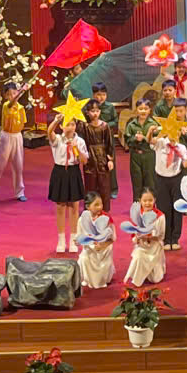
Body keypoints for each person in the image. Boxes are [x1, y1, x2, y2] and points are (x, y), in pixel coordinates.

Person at [151, 100, 187, 251]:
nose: (173, 134)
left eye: (176, 132)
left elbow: (185, 163)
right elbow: (150, 141)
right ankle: (165, 238)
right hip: (161, 179)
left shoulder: (181, 147)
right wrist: (150, 132)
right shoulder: (160, 143)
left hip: (176, 178)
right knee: (164, 208)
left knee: (177, 208)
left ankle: (175, 238)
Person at [46, 116, 89, 253]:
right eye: (67, 124)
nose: (70, 127)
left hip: (73, 171)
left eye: (72, 124)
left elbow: (84, 161)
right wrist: (56, 120)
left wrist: (77, 148)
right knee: (60, 207)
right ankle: (61, 240)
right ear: (61, 126)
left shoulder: (80, 141)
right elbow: (49, 132)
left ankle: (73, 240)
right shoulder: (58, 139)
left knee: (74, 207)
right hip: (59, 172)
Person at [0, 81, 27, 204]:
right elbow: (12, 102)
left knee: (18, 166)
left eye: (14, 93)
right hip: (6, 137)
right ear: (6, 96)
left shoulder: (21, 108)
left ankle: (20, 192)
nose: (12, 96)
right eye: (9, 94)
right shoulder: (6, 106)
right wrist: (22, 91)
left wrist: (20, 92)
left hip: (17, 137)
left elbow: (22, 123)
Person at [123, 188, 166, 286]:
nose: (147, 203)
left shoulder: (160, 216)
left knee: (155, 279)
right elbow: (133, 235)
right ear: (140, 201)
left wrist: (149, 237)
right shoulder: (137, 215)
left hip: (154, 248)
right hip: (142, 247)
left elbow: (161, 236)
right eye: (145, 201)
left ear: (154, 200)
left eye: (150, 200)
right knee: (138, 255)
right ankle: (137, 279)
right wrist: (137, 238)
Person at [79, 100, 116, 212]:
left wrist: (110, 159)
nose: (95, 113)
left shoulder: (105, 126)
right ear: (87, 112)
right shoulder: (85, 126)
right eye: (92, 111)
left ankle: (104, 211)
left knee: (104, 186)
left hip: (102, 159)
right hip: (90, 159)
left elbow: (109, 144)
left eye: (97, 111)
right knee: (90, 185)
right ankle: (89, 210)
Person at [75, 192, 115, 289]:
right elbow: (79, 237)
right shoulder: (81, 220)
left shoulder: (107, 219)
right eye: (96, 205)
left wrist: (102, 246)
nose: (100, 207)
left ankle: (102, 277)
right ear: (88, 207)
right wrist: (77, 241)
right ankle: (87, 278)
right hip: (89, 251)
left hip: (103, 252)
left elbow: (112, 239)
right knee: (84, 258)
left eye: (101, 204)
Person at [89, 81, 120, 200]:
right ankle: (97, 189)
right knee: (96, 165)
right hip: (94, 141)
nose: (100, 97)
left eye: (103, 94)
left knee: (110, 164)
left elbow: (115, 121)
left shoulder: (110, 107)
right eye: (98, 94)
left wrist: (104, 125)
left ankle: (113, 189)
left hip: (108, 140)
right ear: (93, 95)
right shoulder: (90, 107)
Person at [124, 98, 158, 205]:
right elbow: (127, 141)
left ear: (150, 110)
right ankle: (137, 206)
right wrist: (135, 139)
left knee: (150, 182)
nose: (143, 111)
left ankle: (150, 205)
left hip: (149, 155)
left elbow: (157, 140)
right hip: (136, 156)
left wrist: (144, 138)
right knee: (137, 182)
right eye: (140, 108)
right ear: (136, 110)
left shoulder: (153, 124)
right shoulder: (131, 125)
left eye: (146, 109)